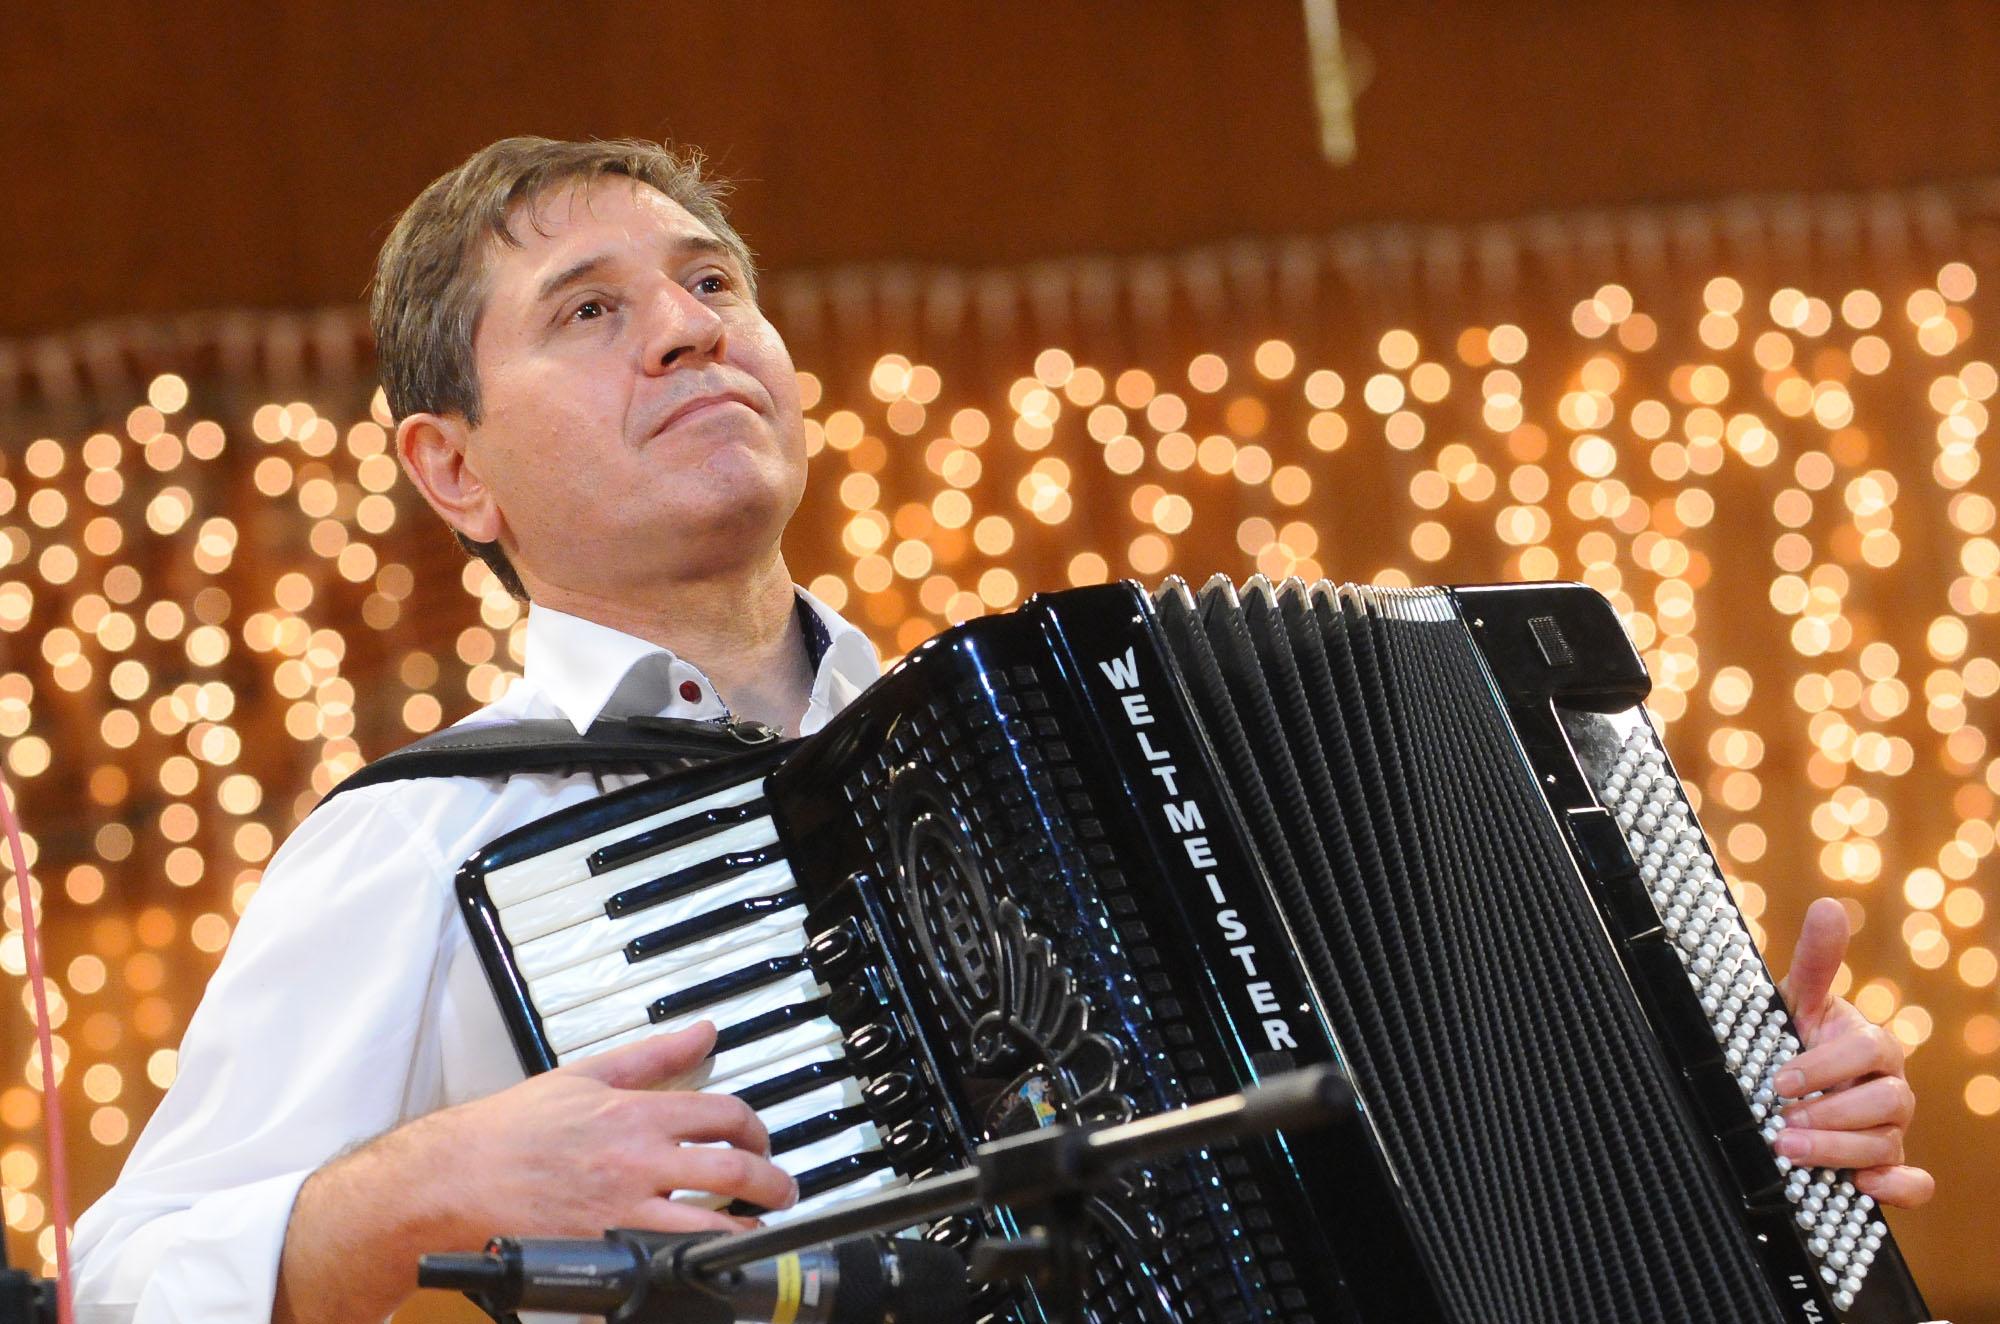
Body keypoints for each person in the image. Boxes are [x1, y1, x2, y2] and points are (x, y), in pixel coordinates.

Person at [70, 136, 1933, 1324]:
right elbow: (131, 1282)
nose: (691, 329)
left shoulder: (1030, 746)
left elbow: (1499, 1123)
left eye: (714, 282)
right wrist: (415, 1190)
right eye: (590, 310)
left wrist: (1740, 1117)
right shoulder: (423, 843)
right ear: (451, 470)